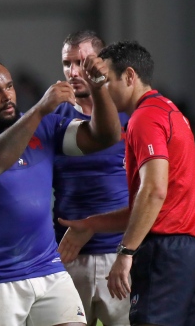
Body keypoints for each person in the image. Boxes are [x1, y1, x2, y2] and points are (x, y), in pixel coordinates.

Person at [0, 56, 122, 325]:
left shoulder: (44, 127)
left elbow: (104, 136)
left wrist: (98, 87)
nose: (7, 96)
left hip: (47, 268)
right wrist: (39, 110)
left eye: (9, 87)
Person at [58, 41, 195, 326]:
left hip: (163, 253)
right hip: (192, 250)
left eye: (106, 81)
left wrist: (125, 253)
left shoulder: (144, 118)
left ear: (129, 76)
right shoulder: (170, 111)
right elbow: (149, 205)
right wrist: (92, 224)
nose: (101, 90)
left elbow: (153, 191)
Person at [52, 30, 131, 326]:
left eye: (81, 62)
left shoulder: (128, 113)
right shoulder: (52, 117)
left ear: (101, 63)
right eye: (66, 63)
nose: (73, 72)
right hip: (67, 256)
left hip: (121, 254)